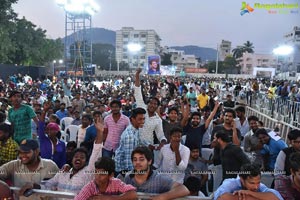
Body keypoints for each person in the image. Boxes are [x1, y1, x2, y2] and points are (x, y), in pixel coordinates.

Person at [42, 116, 104, 194]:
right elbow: (48, 185)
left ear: (86, 162)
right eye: (76, 157)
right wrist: (34, 186)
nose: (78, 159)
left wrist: (100, 132)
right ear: (72, 159)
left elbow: (96, 152)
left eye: (82, 157)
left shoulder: (88, 173)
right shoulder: (63, 172)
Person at [124, 146, 190, 199]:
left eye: (141, 159)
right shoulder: (128, 177)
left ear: (149, 161)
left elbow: (183, 189)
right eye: (135, 160)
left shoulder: (159, 178)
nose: (137, 162)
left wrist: (160, 197)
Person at [134, 68, 167, 150]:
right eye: (151, 103)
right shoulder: (141, 107)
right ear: (148, 103)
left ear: (157, 106)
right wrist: (137, 75)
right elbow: (137, 91)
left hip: (148, 148)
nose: (152, 105)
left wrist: (162, 142)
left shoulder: (158, 120)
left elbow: (160, 134)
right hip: (135, 144)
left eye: (155, 104)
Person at [214, 163, 283, 200]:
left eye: (258, 182)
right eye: (251, 183)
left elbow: (275, 197)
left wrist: (249, 193)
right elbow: (221, 198)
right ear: (242, 179)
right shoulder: (230, 183)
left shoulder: (260, 186)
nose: (256, 187)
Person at [114, 107, 146, 174]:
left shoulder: (136, 128)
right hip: (123, 170)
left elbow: (140, 142)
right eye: (140, 119)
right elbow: (129, 160)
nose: (143, 121)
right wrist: (133, 174)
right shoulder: (129, 136)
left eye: (143, 119)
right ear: (132, 119)